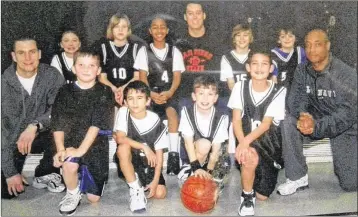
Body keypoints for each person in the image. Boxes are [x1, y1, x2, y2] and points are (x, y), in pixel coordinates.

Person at [277, 29, 357, 195]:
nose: (312, 50)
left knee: (350, 184)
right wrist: (303, 115)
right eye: (308, 45)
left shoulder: (346, 74)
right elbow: (295, 100)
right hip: (313, 119)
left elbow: (347, 114)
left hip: (343, 127)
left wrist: (317, 126)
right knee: (288, 120)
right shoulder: (302, 70)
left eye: (317, 45)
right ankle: (297, 176)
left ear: (328, 46)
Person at [51, 49, 115, 216]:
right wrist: (61, 150)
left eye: (92, 65)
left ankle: (83, 172)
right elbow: (58, 123)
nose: (86, 69)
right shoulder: (64, 91)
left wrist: (80, 151)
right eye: (81, 65)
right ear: (73, 68)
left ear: (99, 70)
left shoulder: (105, 92)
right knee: (69, 162)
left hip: (95, 144)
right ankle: (72, 192)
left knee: (94, 198)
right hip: (71, 142)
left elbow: (96, 125)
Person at [1, 37, 66, 199]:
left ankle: (46, 172)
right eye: (21, 53)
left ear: (39, 54)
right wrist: (10, 172)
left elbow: (59, 109)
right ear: (14, 57)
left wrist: (34, 126)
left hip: (43, 132)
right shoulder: (3, 84)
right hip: (13, 141)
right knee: (7, 192)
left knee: (65, 125)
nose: (28, 58)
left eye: (32, 52)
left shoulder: (51, 75)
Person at [228, 48, 287, 216]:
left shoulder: (279, 91)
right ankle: (246, 196)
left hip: (268, 145)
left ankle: (253, 177)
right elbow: (236, 120)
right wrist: (242, 144)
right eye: (255, 63)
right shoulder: (240, 86)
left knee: (262, 196)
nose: (259, 68)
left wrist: (244, 143)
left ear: (270, 69)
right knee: (249, 158)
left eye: (264, 64)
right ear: (248, 67)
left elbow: (266, 124)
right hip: (247, 140)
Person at [134, 16, 185, 175]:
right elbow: (142, 76)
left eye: (162, 27)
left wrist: (169, 92)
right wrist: (152, 94)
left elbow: (177, 77)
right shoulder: (144, 51)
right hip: (151, 93)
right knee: (149, 119)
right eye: (155, 27)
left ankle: (174, 156)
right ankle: (147, 155)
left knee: (172, 115)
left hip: (169, 93)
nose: (159, 30)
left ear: (167, 31)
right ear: (150, 31)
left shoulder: (174, 50)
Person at [114, 80, 169, 213]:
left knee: (160, 194)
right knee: (122, 147)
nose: (134, 102)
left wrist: (156, 180)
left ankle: (142, 180)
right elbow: (120, 138)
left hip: (149, 162)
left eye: (139, 98)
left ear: (148, 101)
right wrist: (144, 147)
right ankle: (135, 189)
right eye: (130, 99)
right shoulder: (123, 112)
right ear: (125, 102)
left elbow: (159, 153)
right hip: (131, 158)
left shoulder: (155, 119)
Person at [177, 76, 229, 188]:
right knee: (204, 144)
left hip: (211, 160)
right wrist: (196, 167)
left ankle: (208, 174)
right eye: (201, 94)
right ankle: (190, 170)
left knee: (221, 163)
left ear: (215, 98)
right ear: (194, 96)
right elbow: (188, 143)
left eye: (210, 94)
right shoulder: (186, 112)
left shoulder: (221, 118)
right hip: (191, 157)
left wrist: (209, 173)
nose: (205, 99)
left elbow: (216, 151)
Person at [220, 24, 253, 155]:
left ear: (251, 38)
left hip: (254, 96)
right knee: (233, 119)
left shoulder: (255, 55)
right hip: (235, 98)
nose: (242, 38)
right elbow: (231, 84)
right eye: (238, 35)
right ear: (234, 39)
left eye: (245, 35)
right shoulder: (227, 58)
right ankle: (230, 154)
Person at [97, 12, 142, 105]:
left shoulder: (136, 49)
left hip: (130, 92)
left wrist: (123, 88)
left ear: (128, 29)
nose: (120, 30)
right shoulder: (103, 48)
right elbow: (102, 77)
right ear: (111, 29)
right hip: (109, 92)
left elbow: (137, 76)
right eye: (117, 26)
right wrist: (114, 88)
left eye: (124, 26)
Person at [271, 27, 307, 93]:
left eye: (290, 36)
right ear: (278, 40)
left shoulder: (300, 52)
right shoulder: (273, 54)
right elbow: (273, 78)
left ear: (295, 38)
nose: (287, 39)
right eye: (283, 37)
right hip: (278, 91)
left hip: (295, 92)